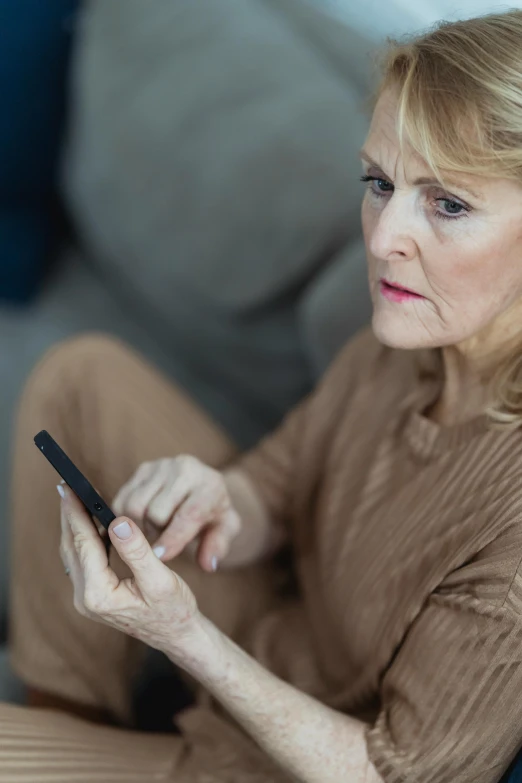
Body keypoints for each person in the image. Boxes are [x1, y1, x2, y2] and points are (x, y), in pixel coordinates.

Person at [3, 9, 522, 782]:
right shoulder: (410, 338)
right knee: (82, 380)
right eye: (380, 183)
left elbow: (392, 774)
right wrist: (216, 494)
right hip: (277, 641)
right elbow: (279, 481)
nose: (382, 241)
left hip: (293, 761)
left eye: (447, 204)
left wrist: (184, 637)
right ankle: (72, 713)